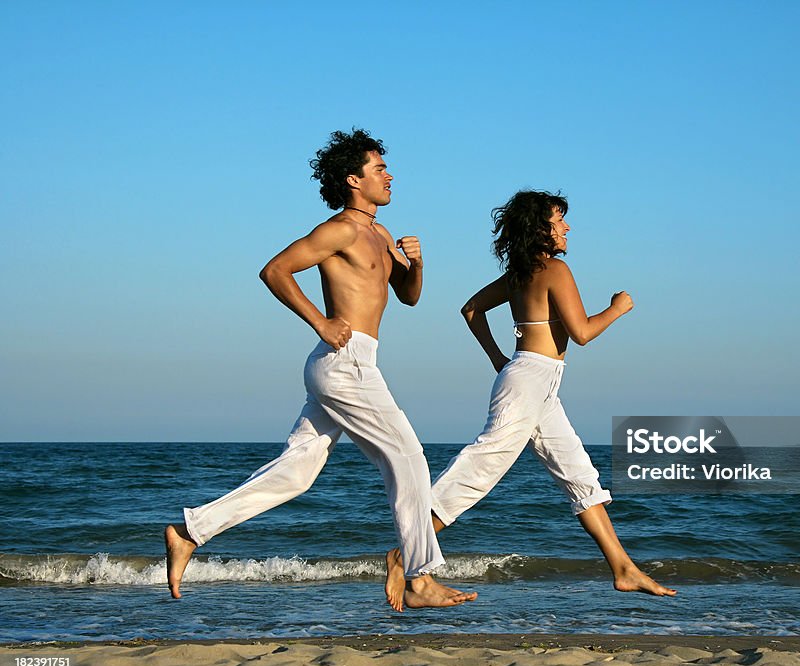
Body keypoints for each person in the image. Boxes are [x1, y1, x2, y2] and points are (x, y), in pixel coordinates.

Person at [164, 128, 476, 609]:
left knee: (296, 475)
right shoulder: (342, 229)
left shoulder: (381, 233)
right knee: (409, 457)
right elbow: (275, 270)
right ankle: (418, 576)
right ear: (354, 179)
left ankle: (191, 530)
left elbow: (408, 298)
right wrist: (321, 321)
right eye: (379, 169)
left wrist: (416, 265)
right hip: (344, 363)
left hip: (354, 361)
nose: (389, 176)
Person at [384, 190, 675, 610]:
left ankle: (623, 569)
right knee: (479, 470)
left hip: (535, 381)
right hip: (528, 382)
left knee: (579, 474)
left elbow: (470, 310)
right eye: (560, 220)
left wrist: (500, 359)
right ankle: (405, 555)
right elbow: (582, 332)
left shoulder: (520, 274)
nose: (567, 227)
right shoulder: (556, 269)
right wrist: (617, 308)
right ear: (541, 229)